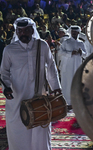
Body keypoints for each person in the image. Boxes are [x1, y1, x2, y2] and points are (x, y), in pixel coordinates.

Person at [0, 17, 62, 150]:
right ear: (16, 32)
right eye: (20, 31)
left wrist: (56, 87)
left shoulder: (42, 46)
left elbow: (51, 67)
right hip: (17, 97)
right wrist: (6, 87)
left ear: (32, 30)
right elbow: (4, 72)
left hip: (39, 96)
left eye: (26, 30)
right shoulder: (9, 50)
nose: (23, 33)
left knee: (40, 129)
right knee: (18, 129)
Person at [58, 25, 86, 105]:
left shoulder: (81, 43)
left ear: (78, 33)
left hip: (77, 65)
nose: (74, 33)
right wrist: (70, 53)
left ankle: (76, 100)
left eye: (75, 32)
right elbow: (60, 52)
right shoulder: (66, 42)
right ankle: (67, 101)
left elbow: (85, 54)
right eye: (72, 32)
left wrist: (81, 52)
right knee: (67, 82)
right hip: (67, 67)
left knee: (76, 82)